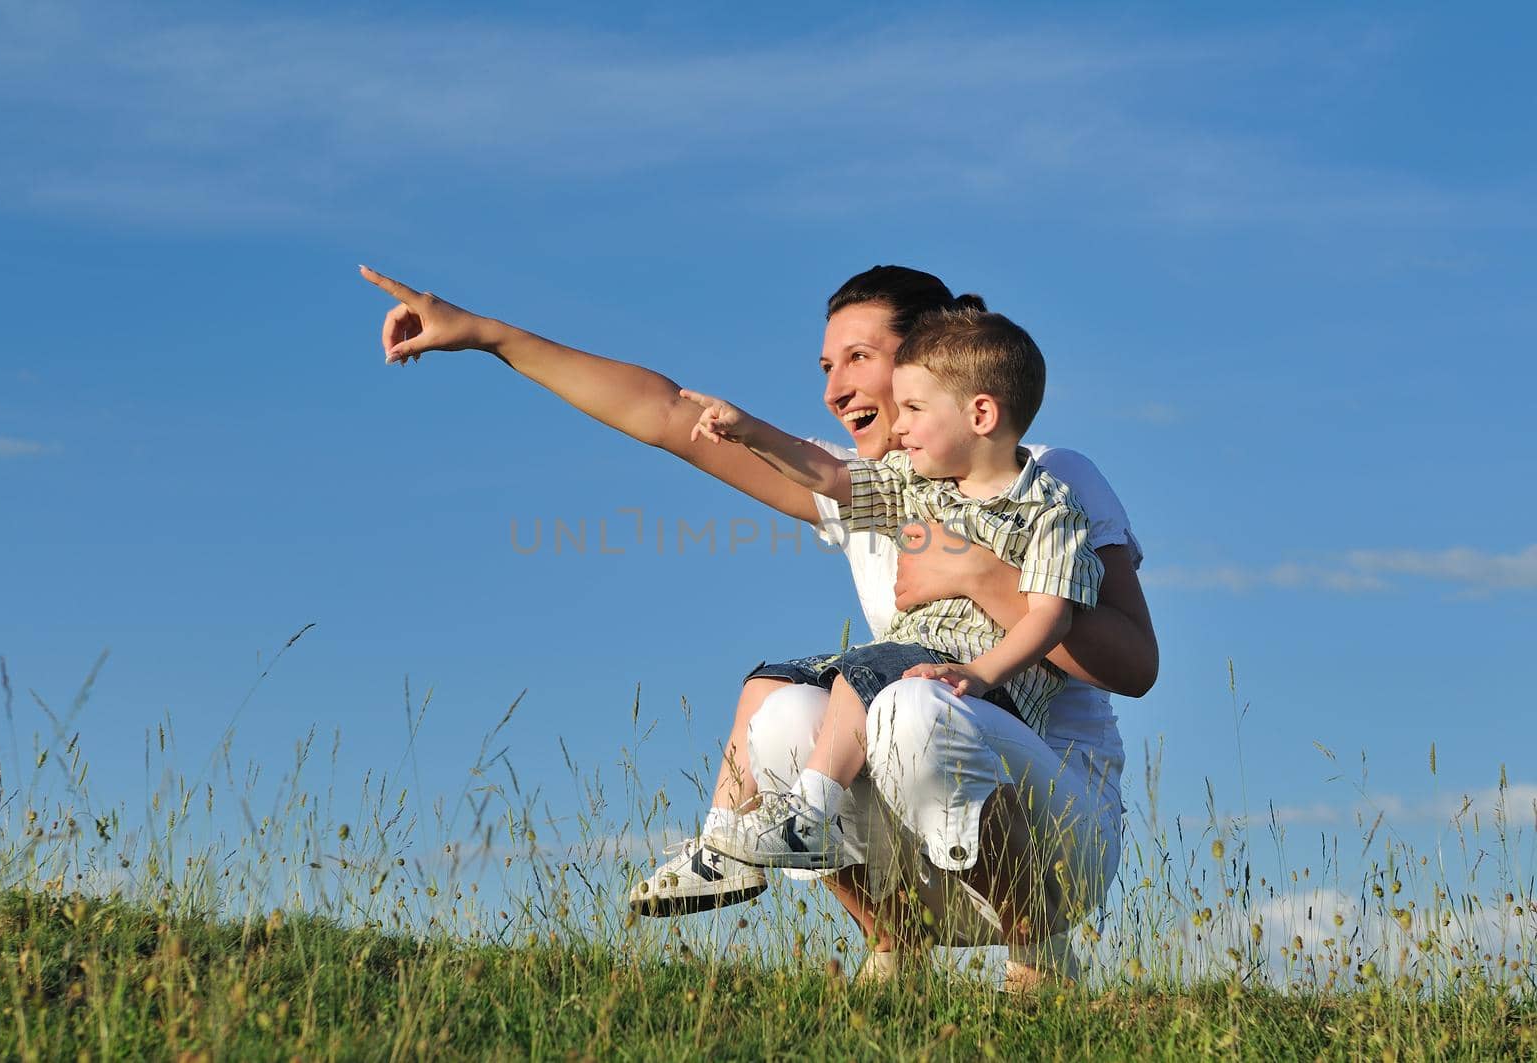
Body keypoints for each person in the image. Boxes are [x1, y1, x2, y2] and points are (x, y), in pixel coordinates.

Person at [359, 263, 1157, 986]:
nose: (834, 390)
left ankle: (1039, 957)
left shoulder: (1049, 478)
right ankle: (898, 949)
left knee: (913, 708)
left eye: (858, 359)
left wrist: (981, 576)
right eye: (825, 367)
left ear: (936, 363)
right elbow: (667, 414)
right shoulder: (875, 491)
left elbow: (1135, 664)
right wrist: (489, 335)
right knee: (786, 715)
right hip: (926, 818)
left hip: (1057, 830)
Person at [679, 307, 1103, 873]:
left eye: (914, 410)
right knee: (782, 682)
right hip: (908, 663)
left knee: (866, 671)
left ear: (980, 414)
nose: (897, 427)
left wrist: (979, 674)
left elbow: (1051, 619)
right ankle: (723, 847)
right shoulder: (915, 485)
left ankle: (810, 816)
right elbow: (828, 474)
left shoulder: (1053, 510)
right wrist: (749, 431)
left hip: (989, 693)